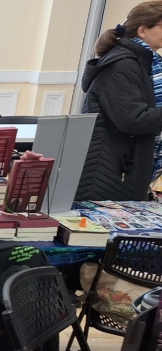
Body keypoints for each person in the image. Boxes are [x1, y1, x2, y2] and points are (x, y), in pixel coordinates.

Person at [77, 2, 162, 202]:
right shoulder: (123, 64)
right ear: (143, 30)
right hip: (110, 171)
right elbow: (133, 119)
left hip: (124, 167)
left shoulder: (143, 62)